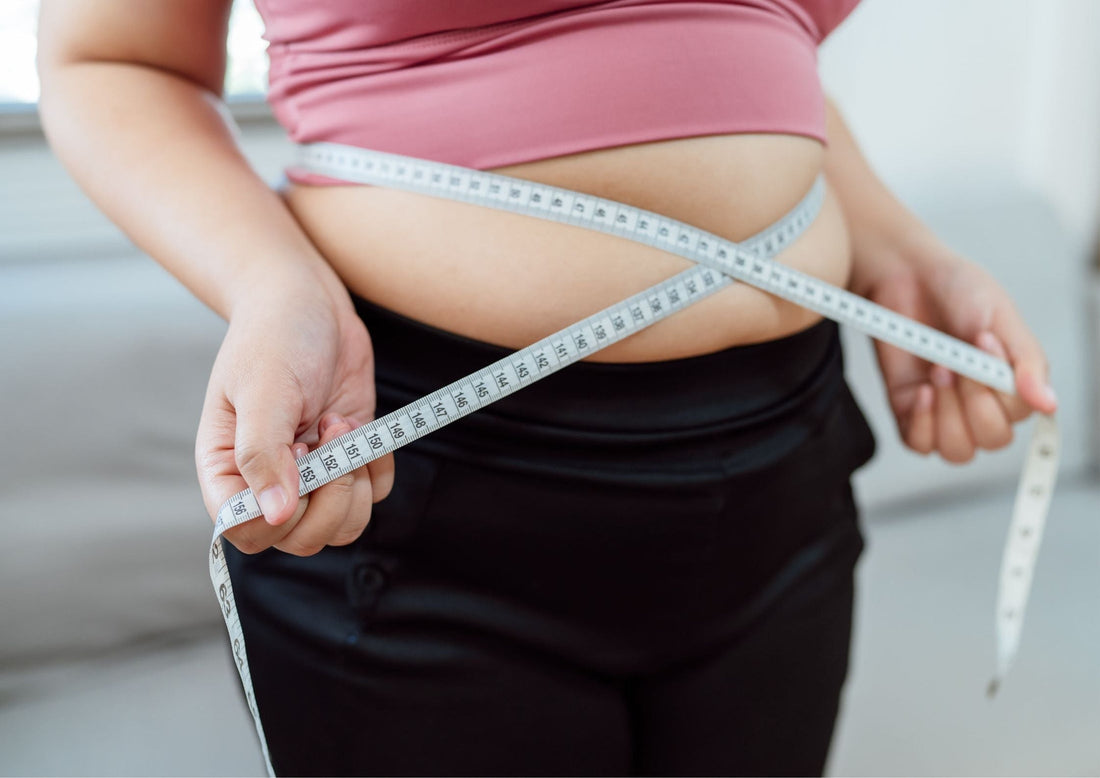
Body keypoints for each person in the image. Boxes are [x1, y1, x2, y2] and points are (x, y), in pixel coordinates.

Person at [37, 1, 1057, 775]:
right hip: (414, 474)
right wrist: (269, 283)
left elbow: (746, 41)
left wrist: (896, 246)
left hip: (782, 463)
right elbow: (110, 59)